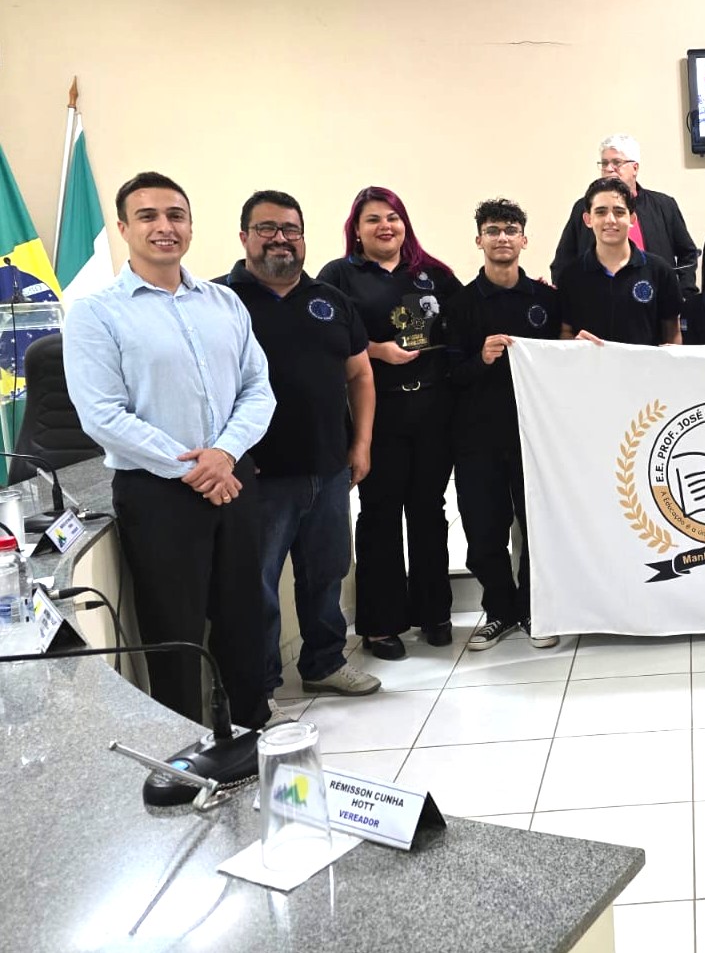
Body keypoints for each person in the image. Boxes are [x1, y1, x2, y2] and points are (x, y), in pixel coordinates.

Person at [65, 172, 275, 729]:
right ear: (123, 227)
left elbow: (259, 388)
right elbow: (102, 414)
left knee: (243, 616)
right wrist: (194, 466)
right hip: (157, 493)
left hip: (233, 479)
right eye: (149, 216)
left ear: (190, 224)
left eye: (176, 215)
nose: (165, 227)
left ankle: (253, 727)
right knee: (173, 628)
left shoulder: (224, 301)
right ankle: (184, 743)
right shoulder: (95, 312)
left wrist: (224, 455)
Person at [219, 190, 381, 704]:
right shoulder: (219, 301)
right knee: (257, 586)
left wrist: (362, 443)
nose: (280, 239)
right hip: (257, 474)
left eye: (291, 229)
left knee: (326, 575)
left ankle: (324, 664)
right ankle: (259, 686)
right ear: (244, 236)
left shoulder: (332, 301)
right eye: (267, 228)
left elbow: (360, 375)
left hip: (329, 469)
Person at [318, 187, 461, 661]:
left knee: (429, 510)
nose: (386, 226)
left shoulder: (434, 274)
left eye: (394, 217)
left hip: (434, 413)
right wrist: (378, 351)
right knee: (380, 514)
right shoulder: (338, 276)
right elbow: (328, 341)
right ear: (355, 230)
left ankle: (434, 612)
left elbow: (467, 321)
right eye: (373, 219)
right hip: (376, 412)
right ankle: (380, 625)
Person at [445, 198, 562, 651]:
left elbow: (564, 359)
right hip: (477, 437)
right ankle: (499, 610)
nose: (502, 238)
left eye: (510, 229)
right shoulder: (460, 304)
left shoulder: (546, 300)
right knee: (484, 526)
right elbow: (450, 375)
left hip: (536, 436)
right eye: (493, 230)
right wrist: (482, 359)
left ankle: (535, 607)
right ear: (479, 240)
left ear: (524, 240)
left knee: (538, 524)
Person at [550, 134, 701, 294]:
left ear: (635, 168)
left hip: (655, 300)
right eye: (604, 163)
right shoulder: (584, 207)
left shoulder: (664, 205)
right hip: (598, 301)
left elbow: (688, 254)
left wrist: (684, 292)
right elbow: (562, 262)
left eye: (617, 163)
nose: (609, 169)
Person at [557, 177, 683, 346]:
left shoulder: (659, 271)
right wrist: (573, 345)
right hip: (589, 371)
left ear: (632, 219)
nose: (610, 220)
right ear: (588, 219)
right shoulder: (571, 276)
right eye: (601, 212)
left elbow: (672, 332)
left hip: (645, 371)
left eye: (619, 212)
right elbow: (565, 331)